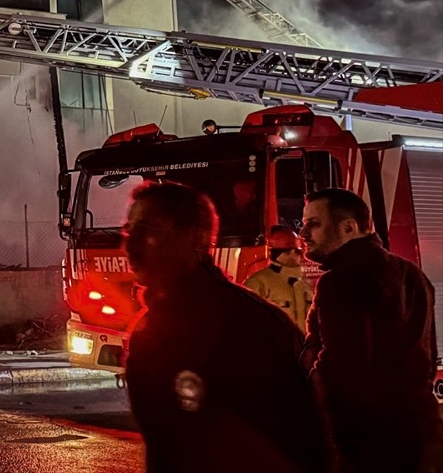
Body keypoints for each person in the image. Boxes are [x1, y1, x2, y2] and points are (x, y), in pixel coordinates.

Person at [122, 182, 329, 473]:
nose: (129, 244)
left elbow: (299, 440)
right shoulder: (154, 323)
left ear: (195, 236)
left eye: (146, 230)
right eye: (128, 231)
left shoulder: (243, 326)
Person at [300, 188, 442, 473]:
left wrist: (308, 403)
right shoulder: (412, 273)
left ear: (349, 227)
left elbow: (341, 364)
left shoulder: (341, 280)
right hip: (421, 430)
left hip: (366, 441)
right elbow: (428, 355)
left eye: (313, 223)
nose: (302, 234)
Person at [243, 225, 314, 334]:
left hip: (304, 348)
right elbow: (247, 323)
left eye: (297, 251)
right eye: (290, 250)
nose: (296, 255)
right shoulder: (258, 283)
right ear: (278, 253)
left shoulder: (306, 283)